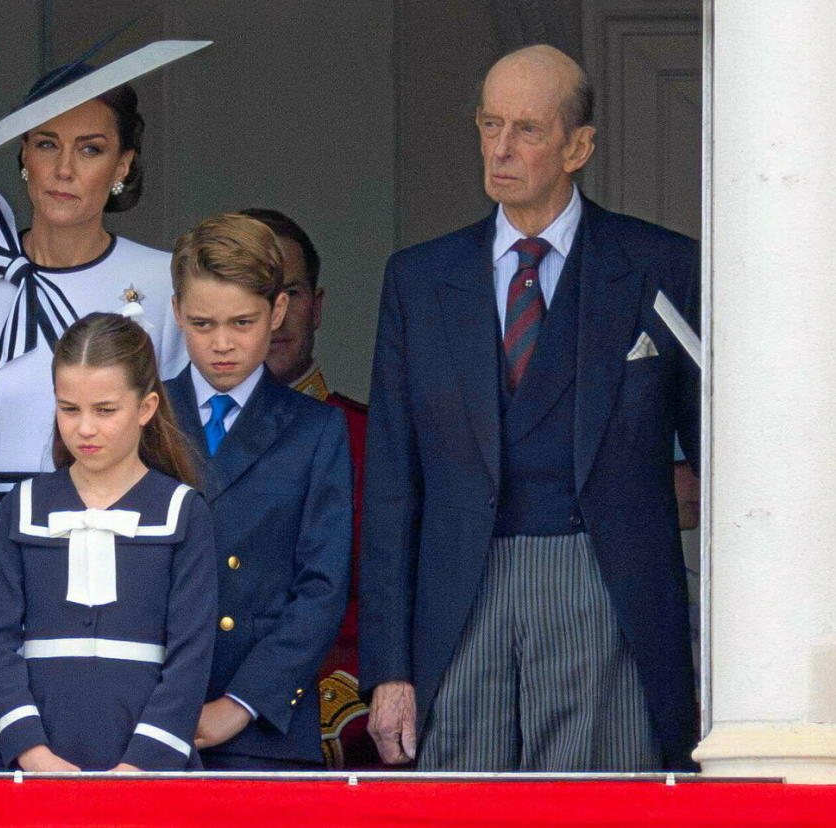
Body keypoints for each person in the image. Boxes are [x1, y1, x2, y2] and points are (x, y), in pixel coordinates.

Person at [360, 44, 700, 772]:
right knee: (462, 812)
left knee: (597, 809)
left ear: (579, 146)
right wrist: (389, 668)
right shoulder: (419, 280)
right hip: (458, 593)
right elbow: (391, 487)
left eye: (528, 130)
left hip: (602, 588)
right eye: (489, 125)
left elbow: (727, 463)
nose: (501, 149)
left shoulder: (665, 266)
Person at [0, 42, 209, 569]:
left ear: (123, 164)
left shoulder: (163, 280)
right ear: (24, 154)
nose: (64, 169)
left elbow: (174, 444)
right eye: (48, 144)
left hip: (117, 546)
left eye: (90, 149)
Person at [0, 312, 216, 771]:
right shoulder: (23, 506)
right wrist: (34, 755)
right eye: (69, 408)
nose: (85, 428)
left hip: (150, 770)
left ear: (145, 409)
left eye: (105, 410)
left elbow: (191, 656)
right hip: (40, 767)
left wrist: (138, 767)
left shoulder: (183, 511)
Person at [163, 213, 352, 770]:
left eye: (242, 323)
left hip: (264, 725)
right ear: (176, 313)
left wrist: (242, 703)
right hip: (150, 715)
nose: (222, 344)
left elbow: (322, 587)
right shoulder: (143, 416)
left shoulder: (316, 430)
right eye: (202, 323)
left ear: (278, 312)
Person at [238, 207, 375, 769]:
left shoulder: (372, 439)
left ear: (317, 305)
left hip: (343, 726)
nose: (275, 314)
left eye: (290, 291)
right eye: (252, 292)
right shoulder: (169, 440)